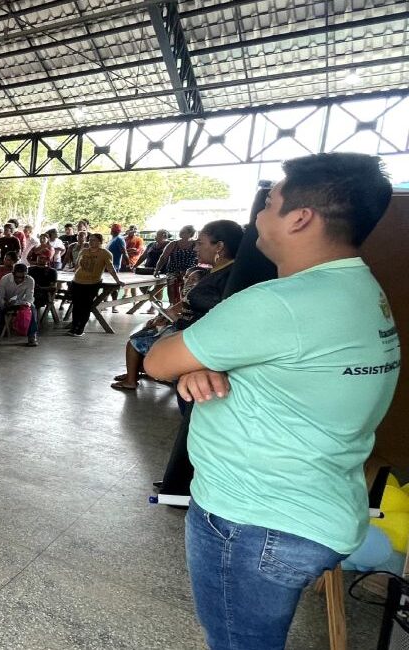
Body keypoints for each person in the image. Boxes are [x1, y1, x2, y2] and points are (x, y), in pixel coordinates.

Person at [144, 153, 399, 650]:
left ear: (300, 217)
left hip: (256, 521)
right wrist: (202, 362)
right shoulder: (360, 290)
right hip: (318, 507)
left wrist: (190, 358)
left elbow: (157, 360)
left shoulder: (277, 304)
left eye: (270, 202)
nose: (258, 216)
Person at [112, 220, 242, 391]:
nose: (195, 248)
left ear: (219, 246)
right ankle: (138, 372)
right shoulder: (214, 271)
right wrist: (168, 316)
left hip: (196, 343)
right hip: (185, 334)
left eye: (200, 243)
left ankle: (133, 378)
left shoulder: (230, 278)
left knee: (137, 342)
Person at [67, 233, 122, 337]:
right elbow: (77, 265)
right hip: (77, 281)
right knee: (76, 306)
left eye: (94, 240)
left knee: (85, 306)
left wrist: (117, 280)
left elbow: (110, 268)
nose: (91, 242)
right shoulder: (83, 251)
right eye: (90, 240)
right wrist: (73, 274)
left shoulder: (105, 253)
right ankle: (73, 326)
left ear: (100, 242)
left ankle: (80, 328)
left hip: (92, 283)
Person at [0, 264, 38, 346]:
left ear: (26, 275)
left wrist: (26, 304)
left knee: (32, 309)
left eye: (22, 277)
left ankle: (32, 336)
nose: (20, 279)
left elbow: (29, 298)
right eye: (17, 277)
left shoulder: (30, 280)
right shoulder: (5, 279)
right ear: (13, 274)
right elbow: (0, 296)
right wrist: (4, 303)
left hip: (20, 302)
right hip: (5, 301)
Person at [155, 225, 199, 304]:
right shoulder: (173, 244)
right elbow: (163, 258)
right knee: (171, 288)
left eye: (183, 231)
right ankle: (172, 306)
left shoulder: (196, 244)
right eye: (181, 231)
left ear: (190, 234)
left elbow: (202, 256)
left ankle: (184, 307)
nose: (180, 232)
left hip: (189, 272)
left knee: (186, 290)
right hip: (173, 270)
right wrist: (157, 270)